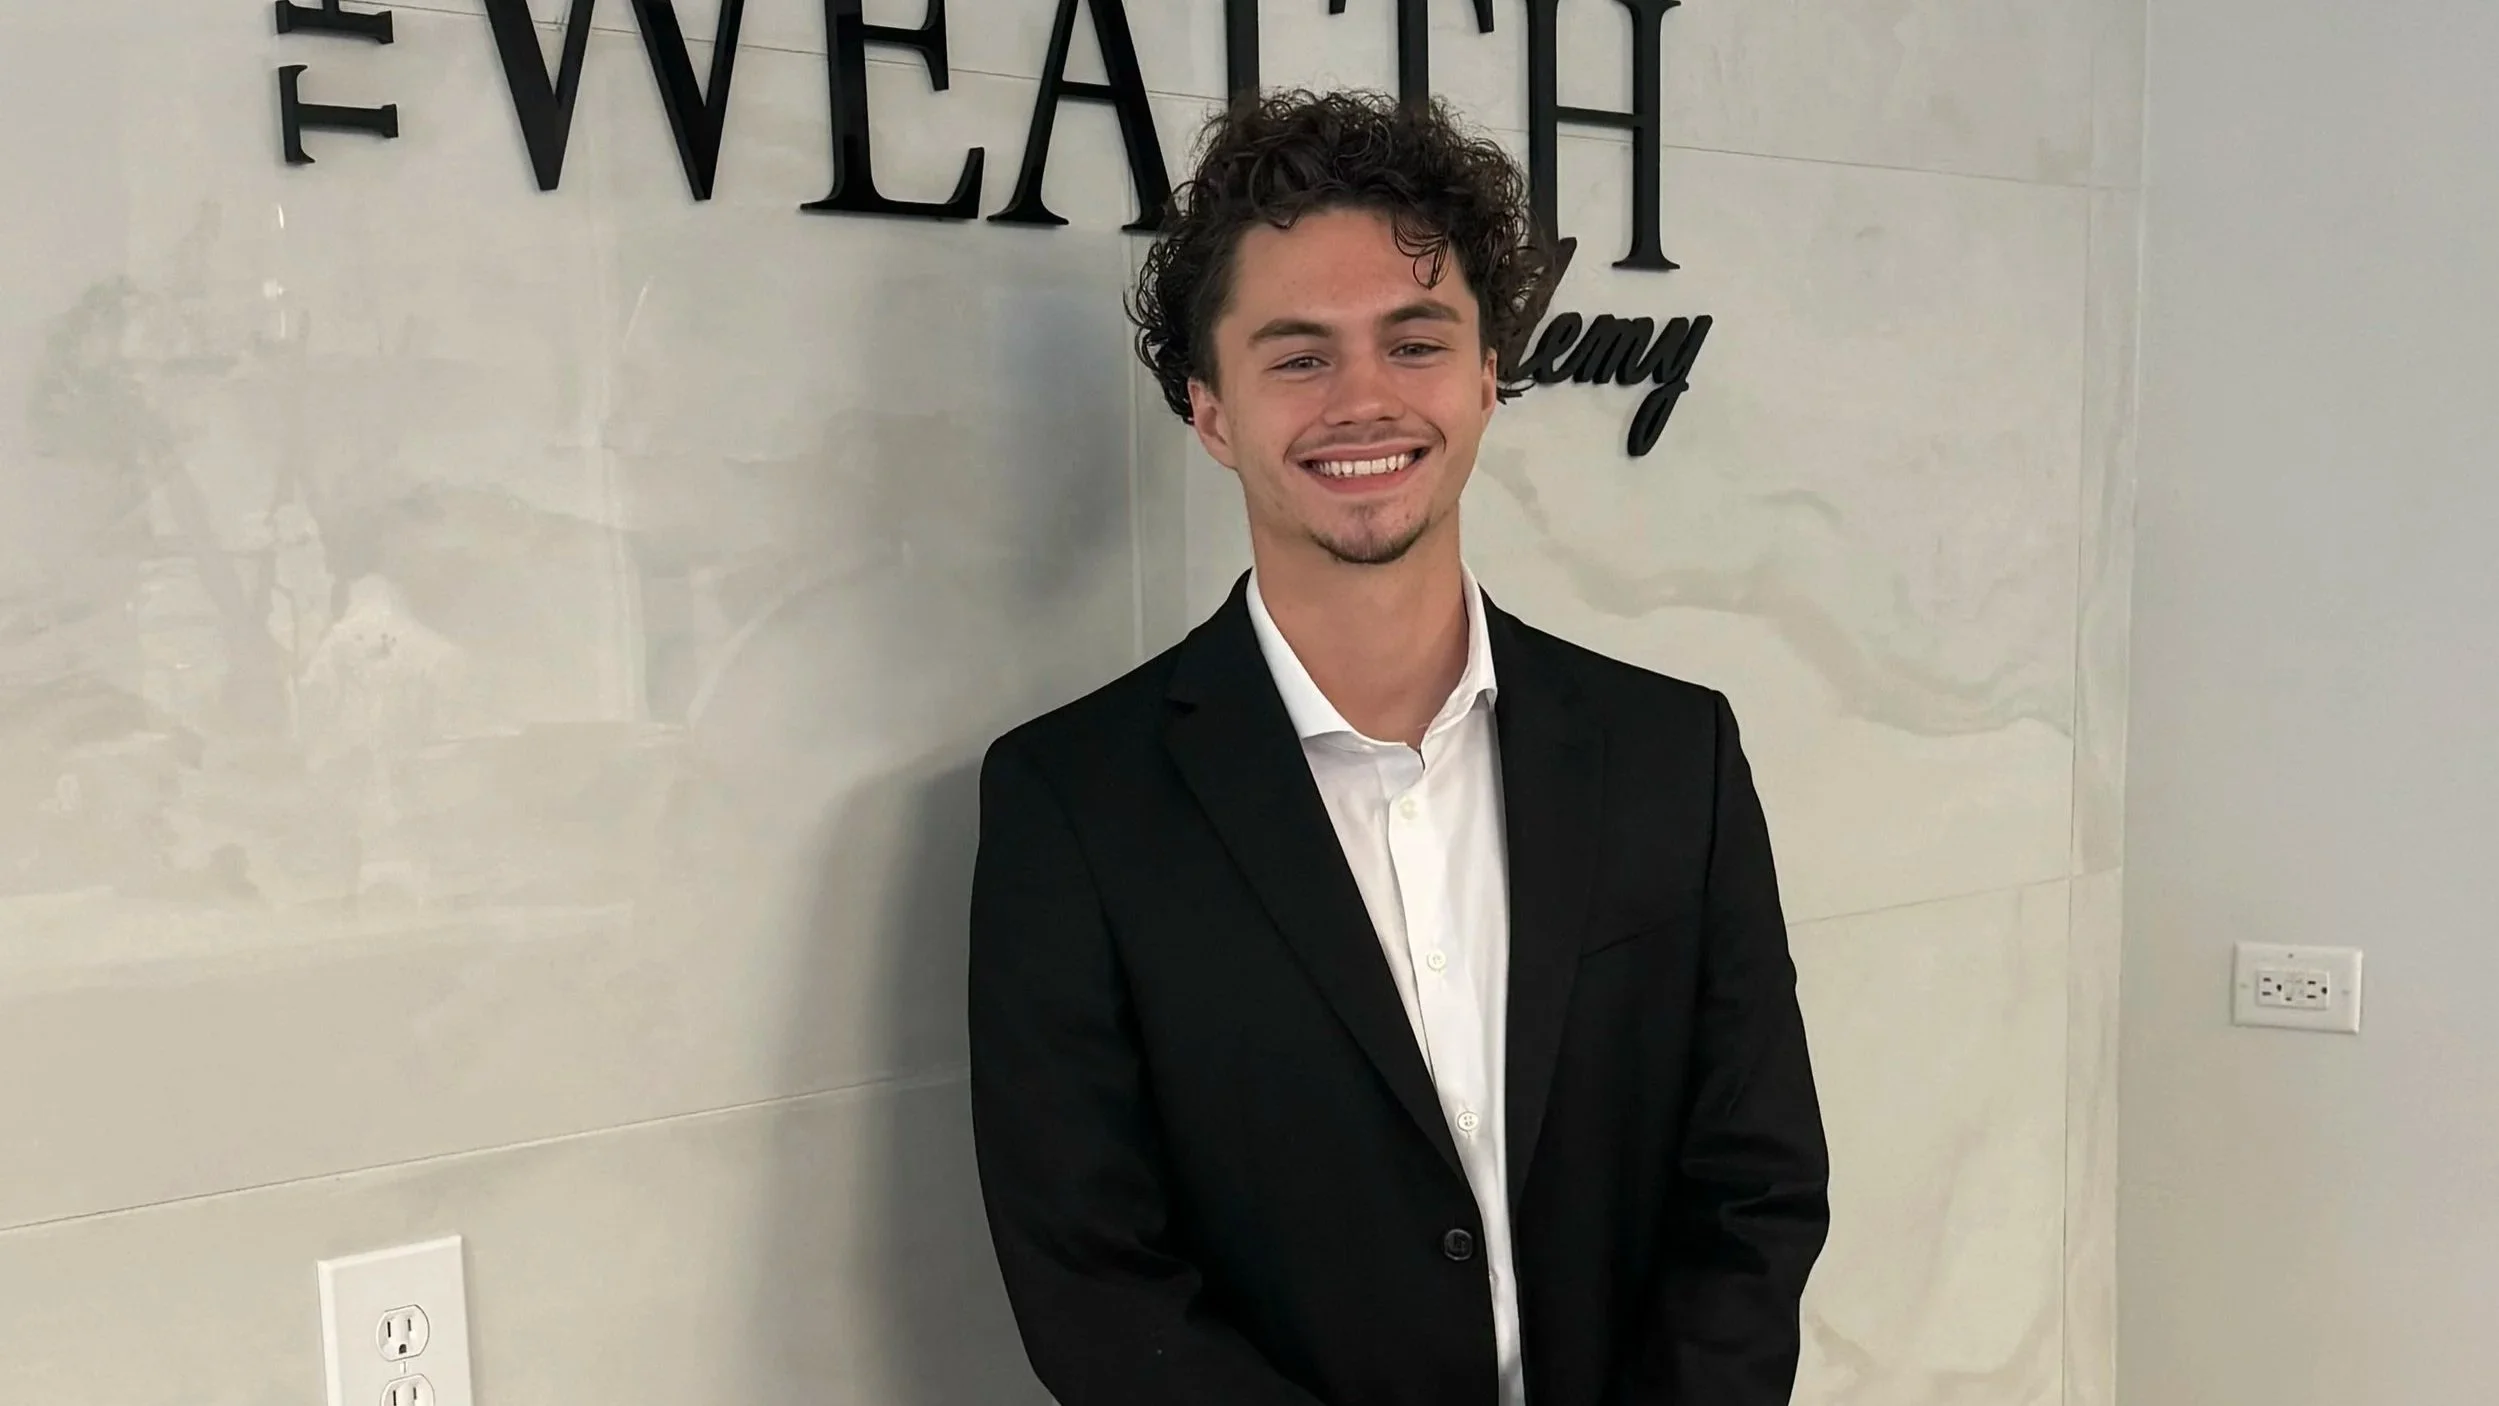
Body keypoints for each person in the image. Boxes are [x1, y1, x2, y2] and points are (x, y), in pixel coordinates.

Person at [967, 89, 1829, 1406]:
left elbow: (1752, 1188)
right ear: (1211, 413)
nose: (1362, 400)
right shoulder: (1072, 803)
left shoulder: (1674, 754)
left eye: (1414, 342)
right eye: (1298, 356)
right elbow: (1092, 1279)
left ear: (1488, 376)